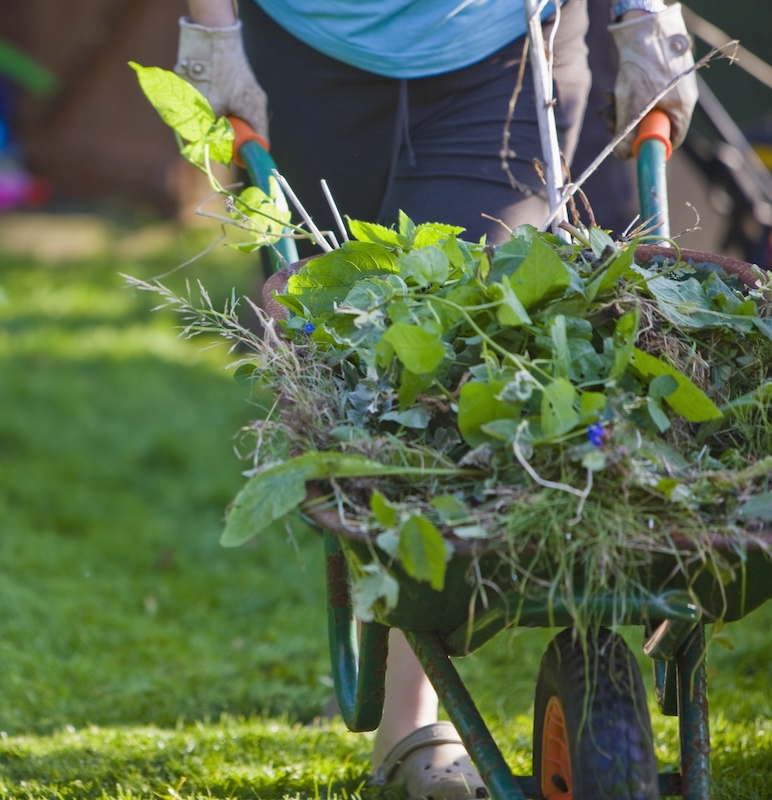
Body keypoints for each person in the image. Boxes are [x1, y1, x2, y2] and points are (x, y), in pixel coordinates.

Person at [174, 1, 698, 798]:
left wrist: (645, 15)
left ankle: (419, 716)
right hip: (306, 50)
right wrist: (213, 35)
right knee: (354, 368)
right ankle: (413, 721)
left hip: (503, 49)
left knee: (456, 352)